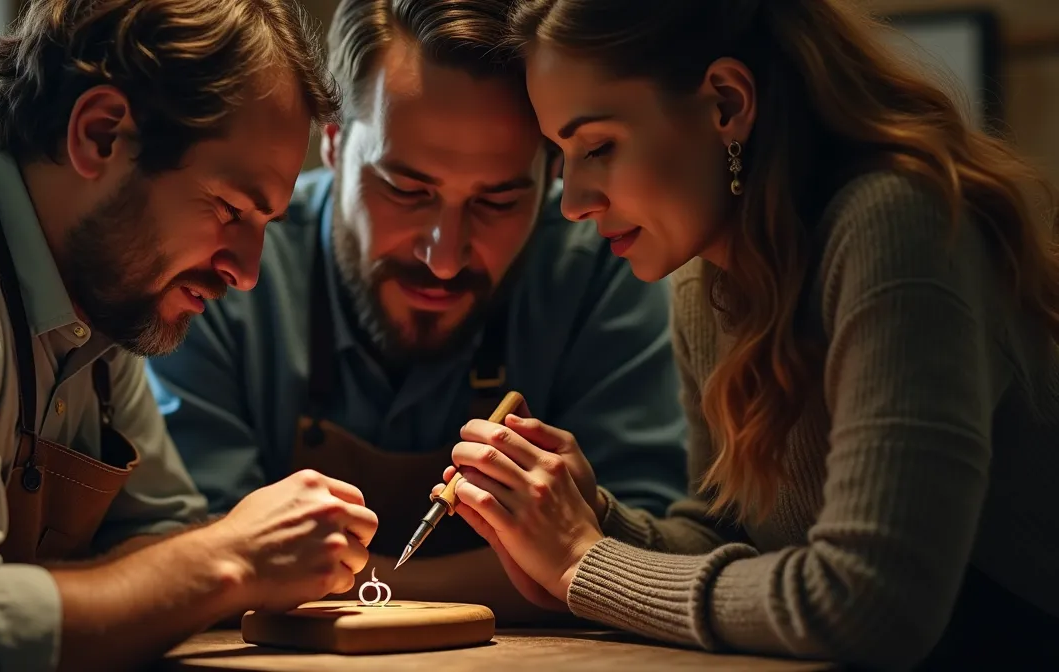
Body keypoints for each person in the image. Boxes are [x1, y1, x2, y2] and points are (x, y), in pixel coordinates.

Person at [0, 1, 381, 671]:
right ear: (100, 134)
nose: (246, 273)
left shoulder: (101, 304)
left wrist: (220, 558)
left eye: (266, 224)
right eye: (229, 208)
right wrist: (230, 557)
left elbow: (162, 538)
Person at [440, 0, 1059, 667]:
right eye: (562, 157)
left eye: (598, 148)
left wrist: (583, 563)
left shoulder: (895, 224)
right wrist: (588, 518)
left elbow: (874, 602)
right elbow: (727, 535)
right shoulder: (706, 274)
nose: (572, 203)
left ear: (727, 103)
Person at [146, 0, 687, 619]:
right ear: (332, 144)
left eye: (499, 202)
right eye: (406, 190)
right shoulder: (227, 266)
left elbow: (637, 554)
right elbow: (194, 549)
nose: (445, 259)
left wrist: (347, 586)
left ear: (551, 178)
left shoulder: (599, 270)